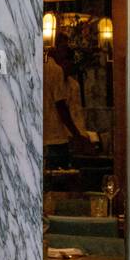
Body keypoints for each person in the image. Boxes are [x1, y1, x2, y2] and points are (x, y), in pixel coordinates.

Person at [43, 28, 96, 169]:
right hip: (56, 138)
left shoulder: (43, 68)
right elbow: (61, 106)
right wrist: (77, 136)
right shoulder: (55, 70)